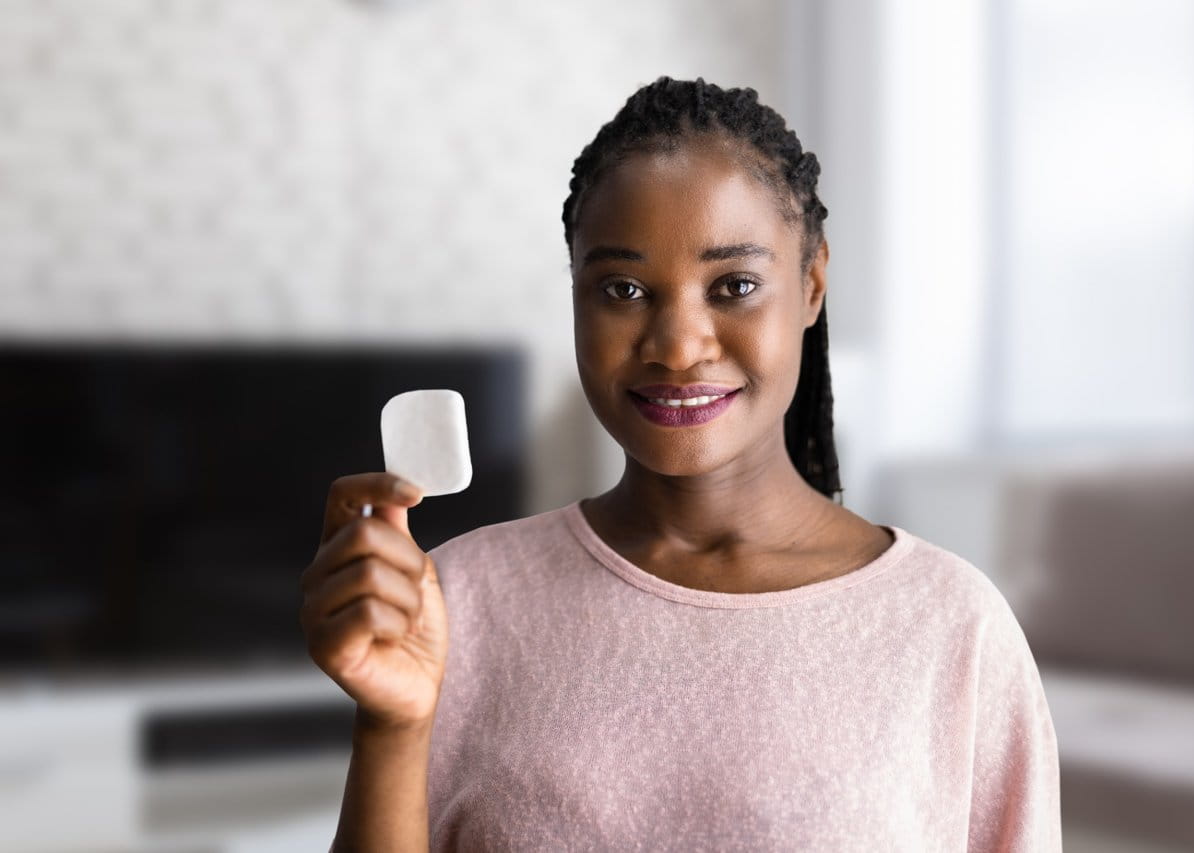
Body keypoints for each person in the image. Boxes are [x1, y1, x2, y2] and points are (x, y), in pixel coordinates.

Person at [301, 76, 1062, 852]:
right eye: (623, 288)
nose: (676, 344)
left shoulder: (952, 624)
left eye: (733, 286)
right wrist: (391, 726)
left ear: (812, 284)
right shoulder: (453, 602)